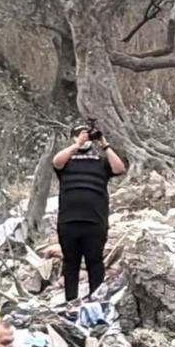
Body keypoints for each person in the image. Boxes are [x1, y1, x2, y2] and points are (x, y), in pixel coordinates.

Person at [39, 124, 125, 304]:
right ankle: (71, 301)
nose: (84, 138)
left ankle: (97, 302)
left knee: (95, 262)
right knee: (71, 262)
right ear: (73, 138)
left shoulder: (100, 161)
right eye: (79, 134)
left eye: (87, 135)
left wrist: (105, 145)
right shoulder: (67, 161)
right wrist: (76, 145)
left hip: (95, 221)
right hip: (68, 222)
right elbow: (56, 161)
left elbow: (119, 169)